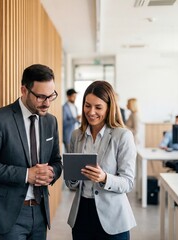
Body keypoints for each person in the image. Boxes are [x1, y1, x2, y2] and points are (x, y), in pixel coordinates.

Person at [0, 64, 63, 240]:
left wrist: (52, 173)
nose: (47, 103)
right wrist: (26, 174)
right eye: (40, 97)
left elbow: (56, 161)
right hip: (8, 214)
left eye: (51, 96)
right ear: (24, 90)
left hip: (40, 212)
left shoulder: (50, 121)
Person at [65, 80, 136, 240]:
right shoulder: (77, 135)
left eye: (98, 107)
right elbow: (70, 183)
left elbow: (128, 183)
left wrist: (104, 178)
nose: (91, 112)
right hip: (82, 213)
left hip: (113, 217)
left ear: (109, 108)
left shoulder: (123, 136)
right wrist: (73, 175)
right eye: (87, 105)